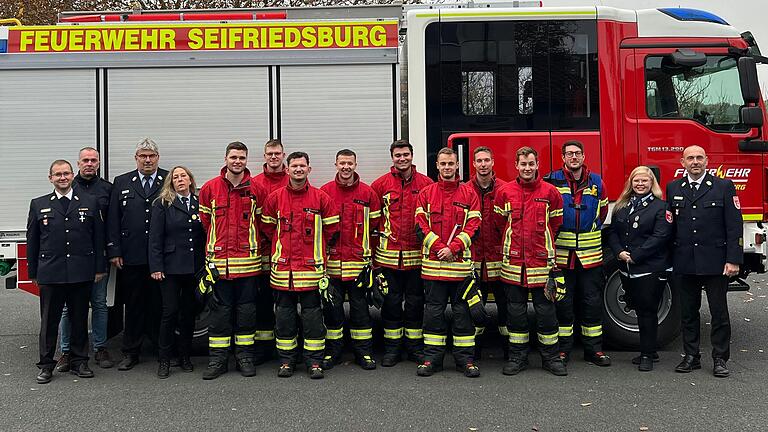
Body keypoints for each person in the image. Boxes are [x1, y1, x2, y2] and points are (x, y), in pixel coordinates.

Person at [261, 151, 339, 379]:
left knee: (313, 318)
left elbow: (332, 230)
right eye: (294, 166)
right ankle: (287, 361)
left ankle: (314, 362)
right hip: (283, 272)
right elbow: (267, 229)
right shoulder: (274, 198)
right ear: (287, 170)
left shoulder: (321, 198)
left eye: (302, 166)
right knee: (284, 318)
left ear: (309, 169)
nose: (298, 169)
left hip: (311, 271)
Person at [27, 160, 107, 383]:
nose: (62, 178)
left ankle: (79, 362)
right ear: (50, 178)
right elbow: (32, 241)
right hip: (51, 272)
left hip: (81, 272)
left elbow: (98, 238)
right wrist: (33, 272)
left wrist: (99, 268)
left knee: (79, 319)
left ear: (73, 175)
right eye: (57, 174)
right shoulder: (38, 204)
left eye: (66, 174)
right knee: (49, 322)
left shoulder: (90, 203)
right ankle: (45, 365)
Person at [666, 145, 743, 378]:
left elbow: (734, 225)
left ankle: (720, 358)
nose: (695, 162)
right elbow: (670, 227)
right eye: (690, 158)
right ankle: (691, 357)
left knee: (719, 312)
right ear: (683, 162)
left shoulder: (723, 187)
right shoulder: (673, 187)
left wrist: (733, 260)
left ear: (707, 161)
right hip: (685, 261)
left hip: (716, 261)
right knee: (688, 312)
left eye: (699, 158)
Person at [493, 147, 567, 376]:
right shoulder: (504, 192)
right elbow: (499, 224)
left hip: (541, 264)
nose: (527, 168)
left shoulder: (551, 192)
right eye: (523, 164)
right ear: (516, 165)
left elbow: (555, 225)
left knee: (546, 313)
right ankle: (518, 358)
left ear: (538, 165)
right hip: (513, 266)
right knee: (515, 314)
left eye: (531, 164)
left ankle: (551, 358)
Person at [198, 142, 267, 380]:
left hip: (248, 265)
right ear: (225, 158)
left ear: (247, 160)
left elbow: (263, 225)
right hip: (219, 266)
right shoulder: (209, 188)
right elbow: (206, 224)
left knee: (247, 313)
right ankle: (218, 360)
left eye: (242, 158)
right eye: (234, 157)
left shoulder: (257, 189)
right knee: (219, 314)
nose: (237, 161)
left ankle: (245, 357)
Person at [414, 147, 481, 377]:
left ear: (457, 166)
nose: (447, 168)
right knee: (433, 316)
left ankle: (465, 361)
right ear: (437, 167)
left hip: (460, 268)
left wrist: (453, 248)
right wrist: (439, 248)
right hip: (434, 268)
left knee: (463, 316)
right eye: (443, 164)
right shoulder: (426, 193)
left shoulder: (469, 193)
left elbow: (474, 227)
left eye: (450, 164)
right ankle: (432, 359)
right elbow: (420, 226)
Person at [544, 141, 611, 366]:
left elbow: (602, 212)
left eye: (577, 153)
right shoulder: (551, 180)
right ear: (563, 157)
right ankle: (563, 350)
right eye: (569, 154)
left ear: (583, 156)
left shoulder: (597, 182)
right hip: (563, 257)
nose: (574, 157)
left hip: (590, 258)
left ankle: (594, 350)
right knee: (563, 303)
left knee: (591, 303)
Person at [370, 139, 434, 366]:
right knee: (391, 305)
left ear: (412, 155)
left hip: (417, 258)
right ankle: (392, 350)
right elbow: (373, 222)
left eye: (405, 154)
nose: (402, 158)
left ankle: (415, 349)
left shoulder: (427, 184)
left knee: (416, 305)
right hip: (388, 259)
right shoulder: (380, 185)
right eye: (398, 155)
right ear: (392, 158)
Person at [107, 138, 168, 371]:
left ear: (158, 158)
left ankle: (158, 349)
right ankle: (130, 351)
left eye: (151, 156)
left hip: (160, 257)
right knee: (132, 304)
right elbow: (113, 219)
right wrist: (114, 250)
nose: (148, 160)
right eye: (143, 156)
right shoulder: (122, 182)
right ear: (136, 158)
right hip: (131, 256)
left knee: (159, 304)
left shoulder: (168, 179)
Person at [606, 166, 672, 371]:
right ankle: (649, 350)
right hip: (627, 268)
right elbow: (613, 233)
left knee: (647, 311)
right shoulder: (622, 206)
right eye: (636, 181)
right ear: (631, 183)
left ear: (652, 183)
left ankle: (647, 356)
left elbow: (660, 236)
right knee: (637, 307)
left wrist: (637, 255)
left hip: (650, 268)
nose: (640, 184)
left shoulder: (662, 207)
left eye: (645, 181)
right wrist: (618, 252)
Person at [320, 149, 381, 370]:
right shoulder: (325, 192)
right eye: (342, 163)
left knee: (360, 312)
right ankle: (332, 352)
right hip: (333, 265)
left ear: (356, 165)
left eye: (350, 163)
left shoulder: (368, 193)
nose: (346, 167)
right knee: (332, 312)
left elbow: (375, 225)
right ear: (335, 164)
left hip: (357, 265)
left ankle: (363, 353)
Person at [57, 147, 114, 372]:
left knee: (100, 304)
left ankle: (100, 347)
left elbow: (111, 226)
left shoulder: (108, 189)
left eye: (93, 160)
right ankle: (66, 351)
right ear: (78, 164)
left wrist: (110, 254)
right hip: (71, 259)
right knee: (66, 308)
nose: (89, 164)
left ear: (99, 163)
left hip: (97, 257)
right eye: (85, 160)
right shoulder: (69, 188)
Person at [149, 166, 205, 379]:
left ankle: (185, 356)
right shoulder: (163, 204)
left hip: (194, 268)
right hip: (170, 268)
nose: (180, 180)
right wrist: (156, 267)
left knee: (189, 314)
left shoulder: (200, 203)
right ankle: (164, 359)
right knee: (169, 313)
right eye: (175, 177)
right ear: (170, 182)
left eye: (183, 176)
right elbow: (155, 239)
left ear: (191, 180)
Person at [250, 139, 289, 362]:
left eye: (277, 153)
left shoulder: (293, 180)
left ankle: (285, 346)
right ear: (264, 156)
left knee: (285, 304)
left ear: (283, 155)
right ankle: (263, 349)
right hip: (262, 253)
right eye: (270, 153)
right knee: (263, 302)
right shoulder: (255, 183)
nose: (274, 157)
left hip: (286, 256)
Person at [467, 146, 507, 360]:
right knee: (475, 308)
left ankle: (510, 351)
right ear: (473, 164)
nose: (483, 164)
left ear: (493, 163)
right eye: (479, 161)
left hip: (499, 259)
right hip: (473, 259)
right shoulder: (465, 190)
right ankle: (474, 351)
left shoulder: (505, 189)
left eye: (486, 160)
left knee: (505, 307)